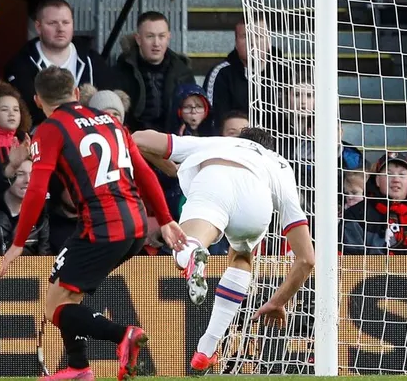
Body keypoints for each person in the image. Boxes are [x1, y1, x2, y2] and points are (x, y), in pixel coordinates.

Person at [0, 66, 185, 381]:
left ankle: (122, 335)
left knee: (55, 308)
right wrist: (165, 219)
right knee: (64, 292)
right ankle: (78, 367)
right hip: (135, 225)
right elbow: (144, 172)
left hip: (101, 228)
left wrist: (18, 243)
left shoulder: (50, 129)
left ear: (37, 101)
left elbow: (37, 190)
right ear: (75, 93)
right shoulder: (111, 121)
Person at [131, 127, 316, 374]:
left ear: (239, 141)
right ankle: (206, 349)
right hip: (257, 197)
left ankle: (192, 254)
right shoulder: (280, 165)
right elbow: (306, 260)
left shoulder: (218, 142)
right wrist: (277, 302)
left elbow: (137, 140)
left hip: (214, 180)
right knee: (242, 256)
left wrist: (169, 168)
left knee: (187, 243)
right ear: (269, 149)